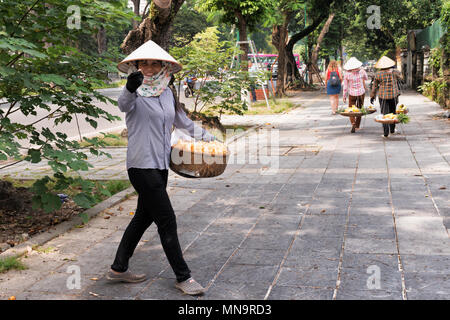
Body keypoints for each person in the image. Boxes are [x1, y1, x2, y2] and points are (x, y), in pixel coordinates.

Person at [107, 41, 216, 296]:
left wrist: (211, 139)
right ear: (136, 66)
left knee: (144, 217)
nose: (148, 67)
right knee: (166, 219)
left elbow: (183, 123)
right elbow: (123, 105)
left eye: (154, 62)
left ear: (163, 66)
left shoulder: (167, 93)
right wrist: (129, 89)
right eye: (143, 62)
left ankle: (118, 268)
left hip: (160, 164)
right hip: (140, 165)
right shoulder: (133, 93)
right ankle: (183, 276)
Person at [370, 56, 403, 138]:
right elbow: (402, 79)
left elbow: (374, 87)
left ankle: (386, 133)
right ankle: (392, 130)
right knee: (393, 112)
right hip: (394, 95)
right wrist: (394, 71)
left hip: (382, 96)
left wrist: (372, 96)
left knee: (384, 114)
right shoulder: (395, 72)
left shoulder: (378, 74)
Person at [342, 57, 368, 133]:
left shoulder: (347, 74)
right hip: (361, 93)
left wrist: (344, 96)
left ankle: (353, 122)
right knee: (360, 108)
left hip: (352, 93)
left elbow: (345, 86)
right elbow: (366, 78)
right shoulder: (362, 71)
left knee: (351, 109)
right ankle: (357, 126)